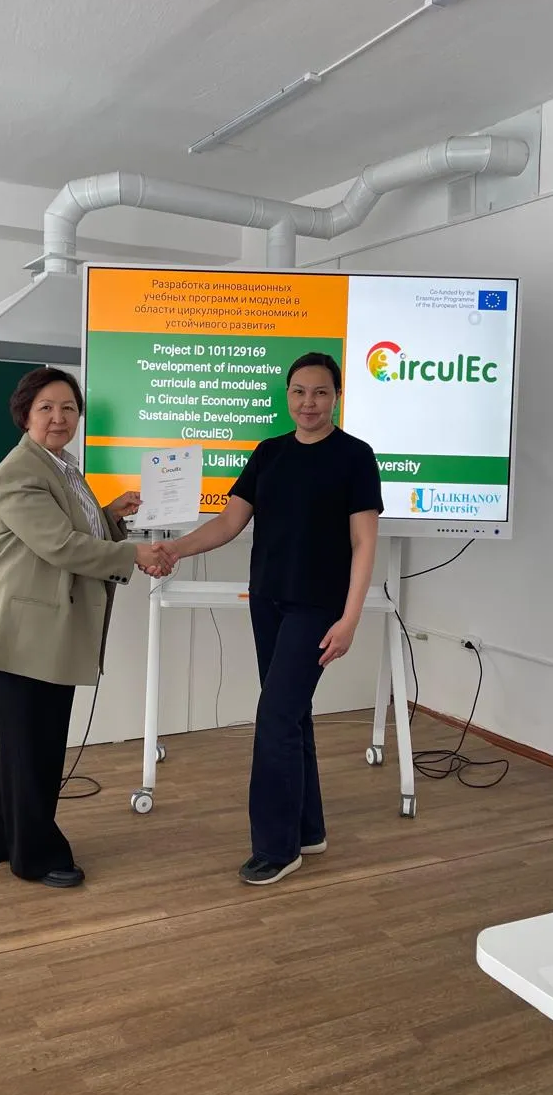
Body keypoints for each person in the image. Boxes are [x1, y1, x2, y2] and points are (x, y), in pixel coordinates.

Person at [155, 352, 383, 886]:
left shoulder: (355, 456)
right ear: (288, 395)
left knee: (276, 717)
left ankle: (276, 849)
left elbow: (363, 541)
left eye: (321, 392)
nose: (309, 402)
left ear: (337, 396)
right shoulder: (269, 453)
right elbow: (229, 522)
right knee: (293, 715)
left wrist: (350, 618)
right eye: (299, 391)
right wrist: (175, 550)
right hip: (269, 603)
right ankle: (307, 830)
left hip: (317, 608)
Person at [0, 367, 174, 888]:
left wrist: (111, 514)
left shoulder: (62, 465)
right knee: (35, 749)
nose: (59, 417)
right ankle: (35, 858)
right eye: (46, 407)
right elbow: (59, 544)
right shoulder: (20, 470)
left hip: (47, 632)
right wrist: (134, 555)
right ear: (25, 414)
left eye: (68, 407)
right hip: (26, 634)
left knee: (24, 744)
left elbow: (76, 528)